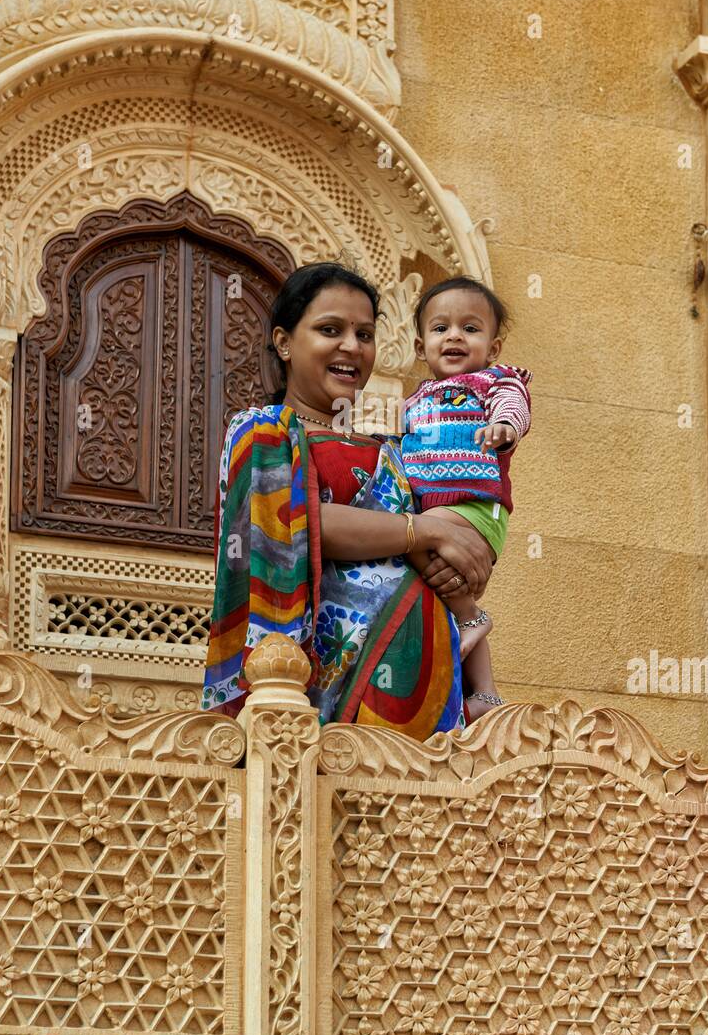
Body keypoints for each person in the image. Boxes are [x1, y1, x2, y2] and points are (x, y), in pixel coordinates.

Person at [201, 262, 496, 740]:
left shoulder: (397, 450)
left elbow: (448, 542)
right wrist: (426, 531)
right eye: (330, 330)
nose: (351, 347)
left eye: (364, 333)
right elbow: (289, 523)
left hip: (432, 697)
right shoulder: (264, 433)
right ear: (283, 343)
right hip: (316, 703)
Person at [400, 276, 532, 722]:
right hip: (437, 510)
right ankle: (487, 692)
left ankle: (472, 616)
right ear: (421, 347)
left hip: (476, 504)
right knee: (430, 565)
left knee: (411, 537)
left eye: (470, 329)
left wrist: (505, 428)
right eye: (441, 329)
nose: (454, 335)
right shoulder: (413, 401)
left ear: (492, 348)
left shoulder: (494, 380)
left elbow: (515, 406)